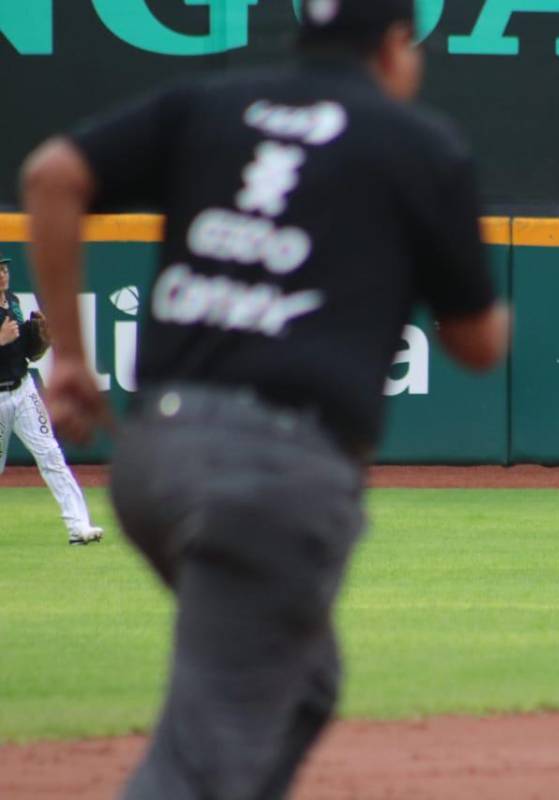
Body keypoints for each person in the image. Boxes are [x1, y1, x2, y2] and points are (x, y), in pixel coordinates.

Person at [21, 0, 508, 796]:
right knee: (197, 760)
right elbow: (479, 345)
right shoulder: (416, 144)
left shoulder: (209, 104)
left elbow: (51, 174)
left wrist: (71, 357)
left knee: (303, 687)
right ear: (392, 47)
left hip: (154, 457)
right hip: (271, 480)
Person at [0, 254, 103, 545]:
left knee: (51, 455)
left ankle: (79, 527)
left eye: (5, 269)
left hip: (22, 391)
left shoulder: (14, 304)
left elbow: (28, 352)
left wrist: (40, 344)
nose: (3, 275)